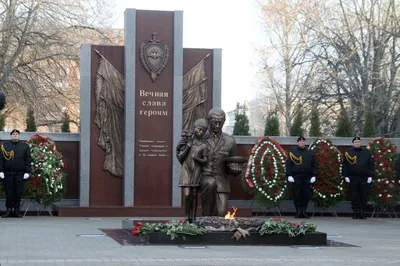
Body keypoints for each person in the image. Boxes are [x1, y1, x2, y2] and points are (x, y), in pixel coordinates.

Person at [200, 108, 242, 216]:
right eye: (215, 122)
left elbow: (233, 163)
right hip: (204, 178)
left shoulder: (230, 141)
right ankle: (206, 219)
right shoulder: (200, 137)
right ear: (208, 121)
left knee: (221, 213)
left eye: (221, 122)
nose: (218, 125)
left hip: (221, 181)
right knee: (210, 183)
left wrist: (235, 169)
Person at [176, 118, 209, 222]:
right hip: (186, 169)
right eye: (199, 129)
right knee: (187, 194)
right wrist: (188, 147)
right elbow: (180, 158)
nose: (200, 132)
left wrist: (197, 158)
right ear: (194, 128)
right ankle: (187, 216)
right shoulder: (186, 141)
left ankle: (193, 216)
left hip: (196, 169)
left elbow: (205, 161)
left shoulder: (204, 145)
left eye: (203, 131)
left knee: (194, 194)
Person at [0, 129, 32, 218]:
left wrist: (27, 171)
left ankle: (17, 210)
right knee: (8, 192)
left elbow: (28, 160)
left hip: (20, 174)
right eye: (13, 134)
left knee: (18, 192)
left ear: (19, 135)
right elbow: (1, 159)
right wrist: (0, 171)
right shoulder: (5, 146)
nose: (15, 135)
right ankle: (8, 210)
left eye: (17, 134)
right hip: (7, 173)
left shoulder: (24, 146)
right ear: (11, 135)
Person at [286, 136, 317, 218]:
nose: (302, 142)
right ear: (297, 143)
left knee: (306, 194)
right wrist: (289, 175)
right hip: (296, 176)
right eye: (300, 141)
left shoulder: (310, 153)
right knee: (297, 194)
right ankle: (298, 211)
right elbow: (288, 164)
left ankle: (304, 211)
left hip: (307, 176)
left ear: (305, 142)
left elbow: (314, 165)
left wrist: (314, 175)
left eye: (303, 141)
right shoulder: (293, 152)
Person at [343, 137, 373, 219]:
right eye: (355, 142)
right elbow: (345, 165)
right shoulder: (348, 152)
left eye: (358, 142)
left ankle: (362, 212)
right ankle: (356, 212)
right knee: (354, 195)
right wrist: (345, 175)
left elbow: (370, 164)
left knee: (363, 195)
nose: (357, 143)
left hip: (364, 177)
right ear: (353, 143)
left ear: (361, 143)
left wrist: (370, 175)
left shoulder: (366, 152)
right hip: (353, 177)